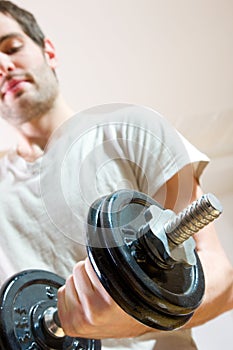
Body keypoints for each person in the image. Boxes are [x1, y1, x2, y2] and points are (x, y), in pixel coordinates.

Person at [0, 1, 232, 349]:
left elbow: (221, 281)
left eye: (11, 47)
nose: (3, 66)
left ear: (48, 51)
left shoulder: (133, 130)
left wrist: (129, 323)